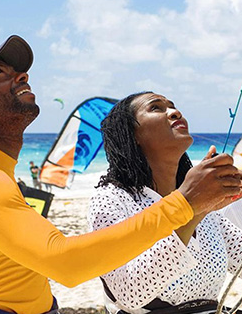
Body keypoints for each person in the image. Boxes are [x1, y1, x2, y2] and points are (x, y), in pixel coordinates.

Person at [0, 36, 240, 314]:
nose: (23, 75)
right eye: (1, 73)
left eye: (18, 71)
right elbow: (66, 263)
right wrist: (186, 204)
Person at [88, 92, 242, 314]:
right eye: (156, 108)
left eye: (173, 106)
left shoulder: (204, 199)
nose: (175, 112)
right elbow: (129, 293)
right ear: (133, 135)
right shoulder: (112, 199)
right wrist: (194, 207)